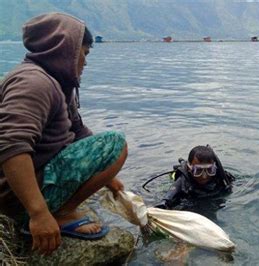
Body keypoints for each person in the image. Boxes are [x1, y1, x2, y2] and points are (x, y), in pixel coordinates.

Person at [0, 13, 127, 255]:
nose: (85, 63)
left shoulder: (59, 82)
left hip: (39, 176)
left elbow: (78, 131)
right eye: (84, 54)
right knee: (116, 143)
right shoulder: (34, 83)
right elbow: (11, 146)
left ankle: (53, 209)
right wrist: (39, 213)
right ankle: (58, 214)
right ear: (65, 49)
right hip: (18, 197)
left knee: (109, 148)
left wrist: (108, 177)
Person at [154, 145, 234, 210]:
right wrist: (163, 204)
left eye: (209, 170)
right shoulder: (183, 180)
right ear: (189, 168)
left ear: (214, 168)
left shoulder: (221, 176)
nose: (204, 176)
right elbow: (168, 198)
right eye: (198, 171)